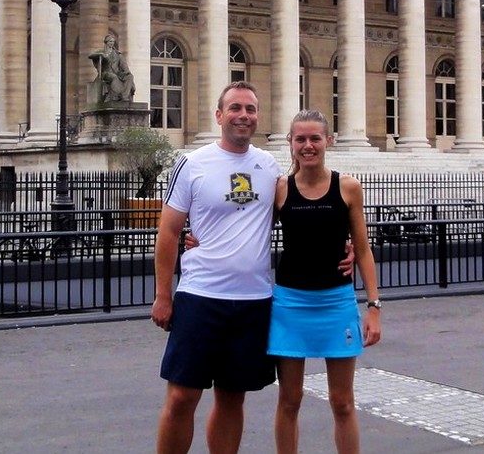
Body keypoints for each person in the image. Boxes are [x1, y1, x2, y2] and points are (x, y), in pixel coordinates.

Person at [151, 82, 352, 454]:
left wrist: (345, 244)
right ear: (219, 115)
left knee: (232, 398)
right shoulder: (192, 164)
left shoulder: (268, 166)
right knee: (182, 396)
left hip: (253, 301)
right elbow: (168, 232)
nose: (244, 115)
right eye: (235, 108)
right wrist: (163, 296)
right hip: (200, 295)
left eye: (250, 109)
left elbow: (301, 217)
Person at [269, 109, 381, 454]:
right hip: (289, 303)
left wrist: (373, 306)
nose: (308, 145)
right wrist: (199, 240)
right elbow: (245, 231)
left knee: (343, 402)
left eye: (315, 138)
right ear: (290, 143)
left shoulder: (348, 187)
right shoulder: (280, 189)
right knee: (289, 401)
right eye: (300, 139)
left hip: (336, 301)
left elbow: (362, 250)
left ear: (328, 141)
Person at [90, 33, 135, 102]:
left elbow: (124, 65)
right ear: (106, 42)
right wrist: (102, 55)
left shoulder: (117, 54)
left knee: (130, 77)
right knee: (113, 77)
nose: (112, 43)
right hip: (105, 73)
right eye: (110, 41)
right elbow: (91, 55)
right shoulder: (101, 51)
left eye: (113, 41)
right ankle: (116, 95)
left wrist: (127, 72)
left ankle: (124, 96)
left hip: (117, 73)